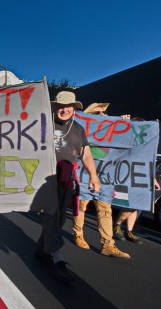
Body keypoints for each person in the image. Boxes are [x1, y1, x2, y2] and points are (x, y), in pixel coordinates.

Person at [36, 91, 101, 282]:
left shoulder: (79, 129)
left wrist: (94, 176)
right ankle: (58, 261)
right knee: (50, 216)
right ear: (54, 107)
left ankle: (42, 251)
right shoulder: (42, 124)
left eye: (68, 106)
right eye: (60, 106)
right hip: (44, 180)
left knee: (60, 219)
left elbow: (86, 155)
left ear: (74, 108)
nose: (64, 110)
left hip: (66, 181)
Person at [72, 103, 130, 258]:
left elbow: (127, 140)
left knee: (105, 209)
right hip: (85, 173)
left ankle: (108, 245)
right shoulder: (81, 130)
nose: (103, 115)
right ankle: (78, 234)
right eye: (97, 114)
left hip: (105, 176)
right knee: (81, 206)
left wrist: (124, 123)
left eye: (104, 113)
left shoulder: (111, 131)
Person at [113, 117, 161, 244]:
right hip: (128, 176)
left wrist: (154, 180)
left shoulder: (145, 144)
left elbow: (148, 163)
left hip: (141, 177)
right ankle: (117, 225)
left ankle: (129, 231)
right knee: (132, 205)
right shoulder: (128, 141)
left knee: (137, 206)